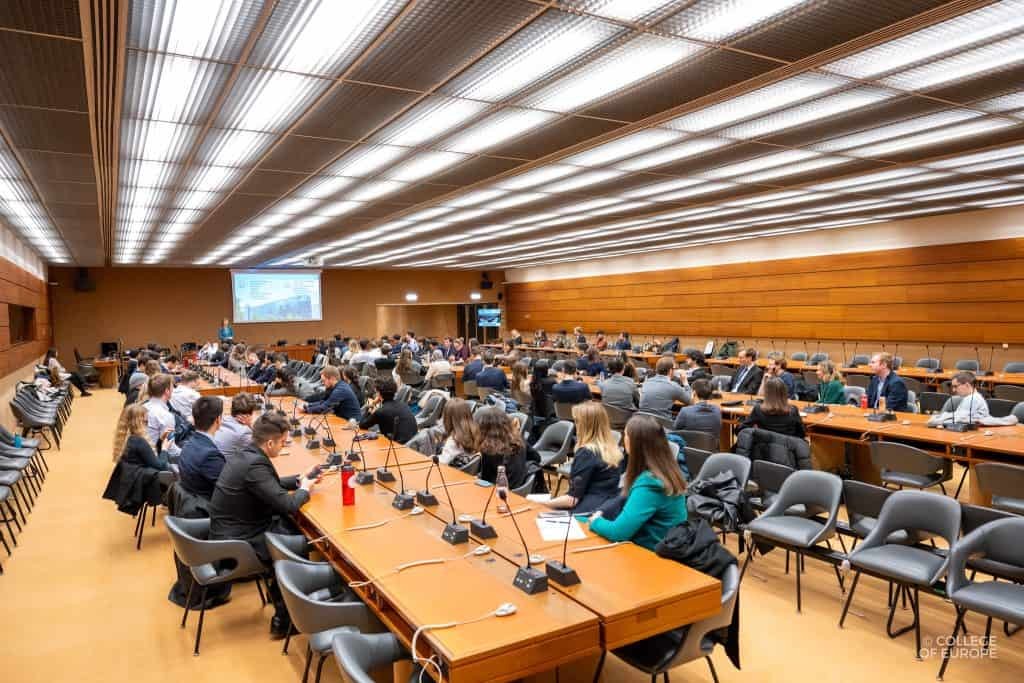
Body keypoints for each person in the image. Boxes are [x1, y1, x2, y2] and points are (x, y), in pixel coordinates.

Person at [209, 412, 318, 638]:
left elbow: (270, 486)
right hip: (238, 543)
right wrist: (305, 490)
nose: (284, 445)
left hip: (230, 530)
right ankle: (285, 618)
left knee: (290, 530)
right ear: (270, 443)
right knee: (295, 542)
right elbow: (288, 504)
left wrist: (300, 479)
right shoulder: (255, 465)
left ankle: (280, 599)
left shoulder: (246, 455)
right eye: (282, 442)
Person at [587, 414, 687, 551]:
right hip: (660, 547)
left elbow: (618, 533)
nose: (623, 440)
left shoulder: (650, 484)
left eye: (626, 435)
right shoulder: (667, 471)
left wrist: (596, 521)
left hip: (651, 556)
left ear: (635, 443)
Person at [543, 402, 622, 514]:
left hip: (586, 510)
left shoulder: (586, 453)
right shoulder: (613, 449)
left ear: (585, 425)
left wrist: (543, 503)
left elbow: (572, 500)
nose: (575, 426)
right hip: (609, 507)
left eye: (577, 421)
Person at [177, 396, 225, 500]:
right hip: (206, 509)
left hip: (190, 502)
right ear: (218, 420)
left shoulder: (188, 444)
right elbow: (228, 488)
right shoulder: (210, 455)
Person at [476, 406, 537, 488]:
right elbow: (537, 458)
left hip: (499, 493)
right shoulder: (518, 439)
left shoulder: (488, 449)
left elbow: (485, 480)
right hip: (520, 489)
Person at [740, 377, 805, 438]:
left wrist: (755, 431)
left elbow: (741, 429)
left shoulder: (758, 409)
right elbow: (802, 433)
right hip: (786, 448)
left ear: (766, 393)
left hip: (763, 448)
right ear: (784, 392)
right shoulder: (793, 410)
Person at [112, 403, 171, 470]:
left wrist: (160, 440)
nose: (147, 425)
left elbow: (148, 456)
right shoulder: (138, 441)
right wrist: (164, 449)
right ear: (140, 423)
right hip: (144, 479)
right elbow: (160, 466)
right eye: (146, 422)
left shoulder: (125, 441)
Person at [359, 377, 417, 443]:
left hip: (397, 446)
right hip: (412, 444)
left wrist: (370, 407)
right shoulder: (404, 405)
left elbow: (362, 425)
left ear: (378, 393)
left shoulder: (381, 411)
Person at [927, 371, 992, 425]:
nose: (953, 390)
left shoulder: (973, 399)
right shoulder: (970, 397)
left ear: (967, 385)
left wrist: (936, 420)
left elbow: (957, 420)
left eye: (956, 386)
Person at [144, 374, 181, 458]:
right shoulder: (166, 416)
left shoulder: (143, 406)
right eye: (172, 387)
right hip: (156, 457)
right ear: (167, 391)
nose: (173, 390)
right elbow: (171, 450)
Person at [214, 392, 259, 459]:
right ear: (248, 415)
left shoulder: (222, 420)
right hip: (225, 467)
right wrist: (250, 425)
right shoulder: (244, 432)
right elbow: (259, 451)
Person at [437, 398, 480, 466]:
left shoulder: (453, 441)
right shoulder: (476, 431)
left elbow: (442, 463)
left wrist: (434, 458)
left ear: (447, 418)